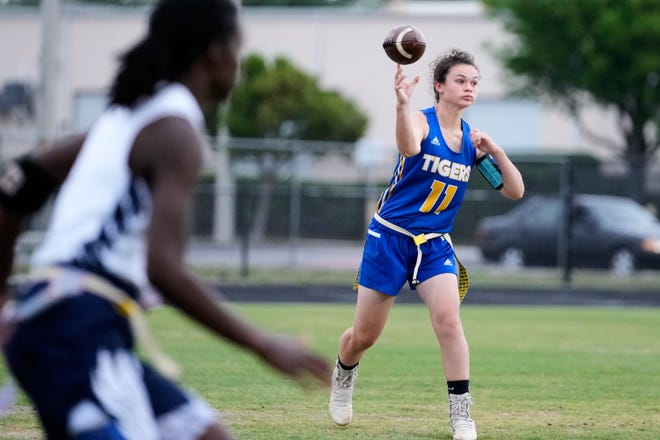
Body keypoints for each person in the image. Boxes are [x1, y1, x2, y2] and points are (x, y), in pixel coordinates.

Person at [0, 0, 330, 439]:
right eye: (237, 45)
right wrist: (263, 343)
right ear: (215, 52)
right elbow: (164, 268)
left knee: (210, 434)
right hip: (71, 333)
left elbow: (17, 183)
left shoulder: (128, 115)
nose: (239, 60)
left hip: (74, 326)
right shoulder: (175, 130)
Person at [329, 49, 525, 440]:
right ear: (439, 85)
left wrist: (497, 151)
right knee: (364, 336)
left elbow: (514, 190)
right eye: (460, 81)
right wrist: (401, 106)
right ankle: (343, 376)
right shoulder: (420, 121)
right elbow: (408, 147)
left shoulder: (473, 141)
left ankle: (462, 415)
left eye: (473, 82)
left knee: (449, 323)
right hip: (390, 238)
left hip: (434, 245)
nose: (468, 88)